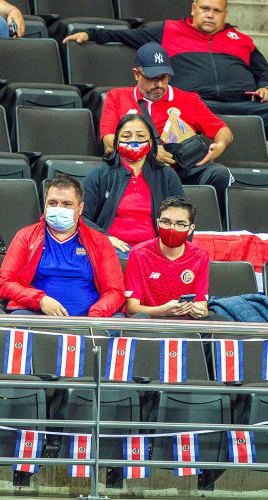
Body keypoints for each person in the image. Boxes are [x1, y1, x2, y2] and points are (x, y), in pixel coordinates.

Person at [63, 0, 268, 164]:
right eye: (205, 8)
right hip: (198, 104)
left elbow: (264, 72)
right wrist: (91, 34)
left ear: (225, 15)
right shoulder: (171, 30)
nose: (210, 14)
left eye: (217, 11)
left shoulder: (240, 39)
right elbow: (127, 35)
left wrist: (267, 87)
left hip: (243, 101)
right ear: (193, 8)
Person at [100, 42, 234, 217]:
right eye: (152, 77)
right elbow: (109, 143)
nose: (159, 84)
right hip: (138, 169)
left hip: (179, 170)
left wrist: (220, 144)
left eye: (164, 77)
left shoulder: (187, 99)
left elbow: (224, 131)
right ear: (136, 74)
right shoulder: (117, 97)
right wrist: (149, 152)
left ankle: (216, 230)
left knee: (219, 173)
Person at [0, 174, 125, 317]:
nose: (59, 208)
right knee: (19, 320)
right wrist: (40, 300)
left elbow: (115, 292)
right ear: (45, 204)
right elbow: (5, 283)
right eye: (52, 203)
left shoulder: (100, 241)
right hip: (35, 314)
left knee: (118, 323)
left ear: (80, 208)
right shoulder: (25, 236)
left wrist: (95, 316)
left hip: (89, 320)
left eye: (67, 204)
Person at [82, 113, 184, 257]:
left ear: (150, 143)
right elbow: (80, 216)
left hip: (155, 251)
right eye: (126, 136)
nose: (133, 141)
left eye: (141, 136)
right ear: (116, 142)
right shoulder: (101, 173)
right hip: (111, 251)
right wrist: (105, 238)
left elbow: (182, 216)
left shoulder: (166, 175)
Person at [124, 197, 214, 320]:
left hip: (184, 322)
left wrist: (200, 311)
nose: (172, 229)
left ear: (190, 229)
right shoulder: (139, 253)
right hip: (151, 320)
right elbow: (131, 309)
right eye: (166, 222)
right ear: (157, 223)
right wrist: (162, 311)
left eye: (180, 224)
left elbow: (201, 305)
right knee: (139, 318)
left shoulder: (200, 255)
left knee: (218, 320)